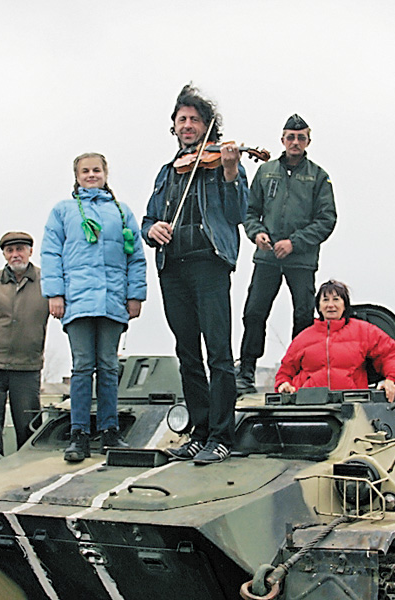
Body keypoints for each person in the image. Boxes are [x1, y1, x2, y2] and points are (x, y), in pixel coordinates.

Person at [141, 84, 248, 465]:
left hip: (209, 264)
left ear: (207, 127)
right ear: (173, 126)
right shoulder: (167, 171)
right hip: (173, 269)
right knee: (187, 354)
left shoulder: (222, 163)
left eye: (194, 120)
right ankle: (198, 433)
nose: (187, 125)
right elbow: (149, 218)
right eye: (181, 119)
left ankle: (222, 436)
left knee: (219, 354)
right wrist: (150, 230)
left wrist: (232, 171)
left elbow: (240, 213)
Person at [41, 152, 147, 462]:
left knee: (110, 367)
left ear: (105, 173)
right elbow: (51, 254)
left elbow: (135, 255)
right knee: (83, 366)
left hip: (113, 300)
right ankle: (79, 434)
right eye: (85, 171)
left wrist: (135, 295)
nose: (91, 175)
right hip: (77, 301)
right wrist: (55, 294)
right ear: (76, 176)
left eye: (96, 170)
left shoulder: (120, 211)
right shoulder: (63, 211)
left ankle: (110, 431)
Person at [236, 114, 337, 395]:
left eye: (300, 137)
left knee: (303, 316)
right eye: (290, 137)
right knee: (254, 312)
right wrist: (256, 232)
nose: (295, 142)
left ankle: (300, 373)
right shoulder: (266, 171)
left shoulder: (319, 177)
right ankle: (245, 370)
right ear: (282, 139)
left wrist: (294, 242)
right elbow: (249, 210)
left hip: (301, 261)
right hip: (266, 258)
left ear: (308, 141)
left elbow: (326, 219)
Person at [0, 232, 50, 455]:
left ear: (30, 251)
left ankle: (28, 472)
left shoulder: (48, 281)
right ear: (4, 254)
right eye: (10, 250)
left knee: (29, 426)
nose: (15, 255)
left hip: (27, 364)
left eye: (20, 249)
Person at [275, 280, 395, 402]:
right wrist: (283, 384)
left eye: (336, 299)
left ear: (345, 304)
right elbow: (286, 369)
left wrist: (392, 379)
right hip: (310, 406)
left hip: (352, 404)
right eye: (325, 300)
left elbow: (390, 353)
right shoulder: (304, 337)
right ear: (319, 307)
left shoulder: (363, 331)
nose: (330, 305)